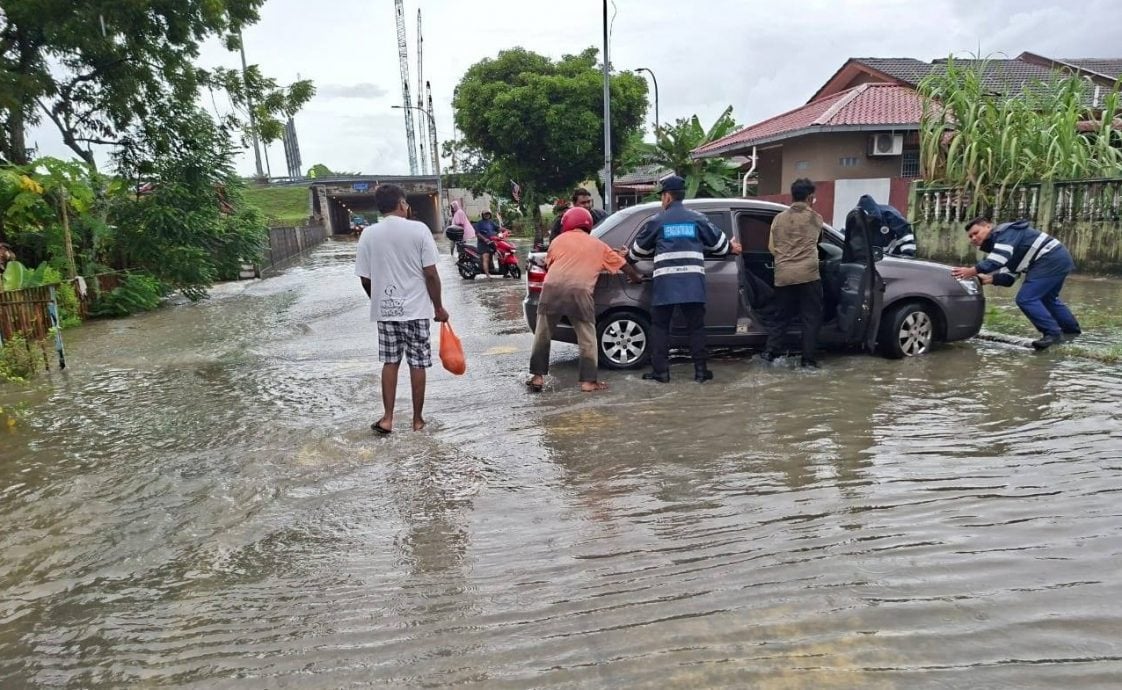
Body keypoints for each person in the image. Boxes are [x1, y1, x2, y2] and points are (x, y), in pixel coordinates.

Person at [355, 184, 450, 434]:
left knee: (390, 362)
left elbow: (365, 279)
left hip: (386, 312)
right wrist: (438, 307)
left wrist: (377, 301)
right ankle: (417, 421)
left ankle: (387, 418)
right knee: (417, 364)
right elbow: (431, 274)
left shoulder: (368, 234)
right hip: (416, 311)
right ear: (401, 204)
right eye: (406, 204)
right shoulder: (419, 230)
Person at [628, 175, 741, 383]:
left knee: (660, 327)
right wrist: (732, 247)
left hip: (666, 285)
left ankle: (661, 373)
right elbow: (721, 247)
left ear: (668, 197)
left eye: (662, 196)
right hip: (692, 285)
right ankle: (700, 372)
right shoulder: (698, 219)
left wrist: (625, 254)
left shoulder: (657, 221)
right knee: (696, 328)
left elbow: (635, 253)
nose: (662, 200)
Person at [528, 207, 642, 393]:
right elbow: (624, 266)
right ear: (588, 224)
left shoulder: (557, 241)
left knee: (543, 334)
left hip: (552, 289)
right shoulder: (598, 245)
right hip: (580, 292)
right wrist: (636, 278)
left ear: (567, 224)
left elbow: (550, 265)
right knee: (587, 337)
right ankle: (588, 382)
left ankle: (537, 377)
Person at [951, 217, 1080, 350]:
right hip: (1057, 258)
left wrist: (972, 271)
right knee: (1047, 298)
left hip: (1049, 258)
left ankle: (1053, 334)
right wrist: (990, 279)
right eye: (970, 236)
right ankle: (1071, 331)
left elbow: (997, 259)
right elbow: (1009, 277)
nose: (973, 238)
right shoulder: (1004, 242)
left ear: (988, 227)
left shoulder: (1005, 233)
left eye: (976, 233)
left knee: (1026, 299)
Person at [764, 178, 825, 368]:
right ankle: (808, 360)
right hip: (809, 276)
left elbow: (771, 248)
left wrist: (786, 259)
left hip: (783, 276)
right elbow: (819, 242)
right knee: (810, 318)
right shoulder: (816, 218)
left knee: (781, 318)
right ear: (810, 197)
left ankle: (770, 354)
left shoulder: (778, 219)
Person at [475, 210, 500, 278]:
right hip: (483, 244)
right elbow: (477, 233)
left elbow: (498, 228)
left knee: (499, 254)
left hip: (492, 242)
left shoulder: (491, 222)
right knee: (486, 257)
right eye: (485, 214)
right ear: (483, 215)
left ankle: (501, 271)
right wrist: (484, 239)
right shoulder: (479, 223)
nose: (487, 215)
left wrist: (506, 230)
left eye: (488, 214)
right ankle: (487, 275)